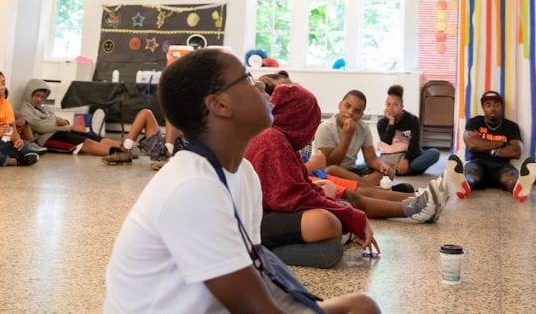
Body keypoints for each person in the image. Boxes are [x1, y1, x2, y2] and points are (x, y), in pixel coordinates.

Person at [104, 48, 379, 313]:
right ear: (220, 104)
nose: (262, 87)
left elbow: (259, 269)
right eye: (247, 79)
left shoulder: (244, 173)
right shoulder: (191, 188)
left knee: (362, 306)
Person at [245, 84, 452, 266]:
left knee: (335, 216)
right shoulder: (272, 140)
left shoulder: (281, 140)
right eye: (309, 124)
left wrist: (344, 210)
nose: (309, 133)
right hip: (255, 223)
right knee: (328, 219)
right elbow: (296, 193)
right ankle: (414, 204)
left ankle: (416, 201)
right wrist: (348, 215)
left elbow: (302, 186)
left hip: (277, 211)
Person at [461, 91, 536, 202]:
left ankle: (520, 190)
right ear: (483, 107)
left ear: (501, 107)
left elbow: (516, 152)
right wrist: (502, 143)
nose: (492, 108)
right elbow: (472, 145)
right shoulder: (474, 122)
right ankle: (463, 188)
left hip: (502, 166)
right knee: (471, 176)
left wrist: (484, 145)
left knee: (510, 179)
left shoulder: (511, 126)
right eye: (488, 105)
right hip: (477, 163)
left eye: (496, 105)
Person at [314, 90, 397, 187]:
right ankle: (367, 187)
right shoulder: (326, 128)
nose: (350, 112)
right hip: (330, 171)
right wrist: (347, 136)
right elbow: (330, 163)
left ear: (361, 114)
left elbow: (371, 159)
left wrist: (382, 166)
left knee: (384, 172)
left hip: (352, 171)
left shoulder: (363, 127)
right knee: (332, 169)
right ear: (340, 105)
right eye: (347, 106)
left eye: (357, 111)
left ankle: (358, 186)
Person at [376, 84, 440, 176]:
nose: (391, 107)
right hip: (390, 158)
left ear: (402, 106)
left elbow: (415, 144)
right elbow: (386, 144)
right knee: (367, 162)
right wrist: (391, 122)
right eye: (388, 104)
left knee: (434, 153)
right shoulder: (381, 123)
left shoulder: (413, 120)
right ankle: (403, 170)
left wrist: (406, 160)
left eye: (395, 105)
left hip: (410, 158)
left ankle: (400, 170)